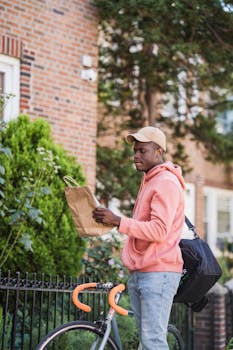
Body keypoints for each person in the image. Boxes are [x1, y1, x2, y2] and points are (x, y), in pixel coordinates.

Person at [93, 126, 185, 350]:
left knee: (153, 341)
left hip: (159, 272)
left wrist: (118, 221)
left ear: (158, 152)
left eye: (142, 150)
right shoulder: (149, 181)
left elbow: (159, 230)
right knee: (147, 342)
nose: (136, 155)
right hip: (142, 271)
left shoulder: (165, 182)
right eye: (135, 150)